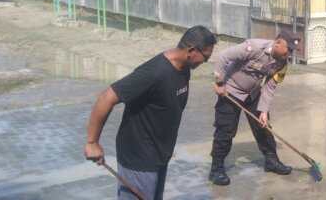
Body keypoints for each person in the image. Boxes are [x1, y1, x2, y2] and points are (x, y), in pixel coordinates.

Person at [84, 25, 217, 200]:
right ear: (191, 50)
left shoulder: (183, 68)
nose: (204, 63)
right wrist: (92, 142)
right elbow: (106, 97)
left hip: (159, 155)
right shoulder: (154, 72)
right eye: (205, 58)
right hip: (139, 158)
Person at [208, 29, 301, 186]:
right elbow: (223, 57)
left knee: (264, 126)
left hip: (252, 93)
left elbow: (270, 87)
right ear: (278, 42)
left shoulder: (282, 63)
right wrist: (219, 82)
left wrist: (263, 111)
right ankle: (216, 169)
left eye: (292, 50)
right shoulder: (253, 47)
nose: (290, 53)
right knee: (226, 130)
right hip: (230, 91)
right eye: (289, 49)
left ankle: (271, 161)